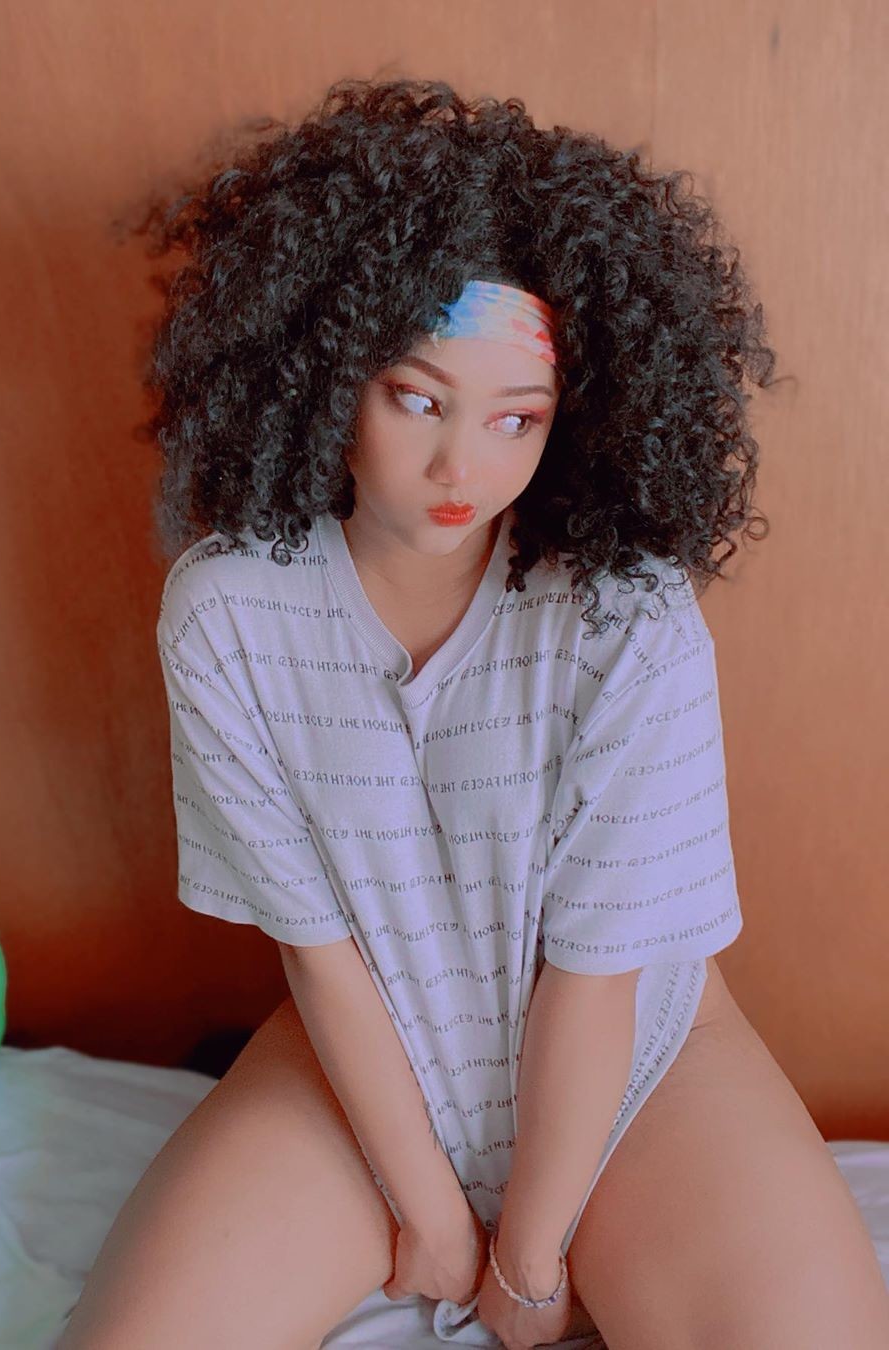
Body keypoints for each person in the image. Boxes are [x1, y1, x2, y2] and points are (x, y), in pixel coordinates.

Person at [59, 78, 889, 1350]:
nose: (462, 467)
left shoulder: (627, 619)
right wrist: (434, 1216)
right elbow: (321, 952)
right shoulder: (227, 614)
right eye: (416, 398)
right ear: (326, 370)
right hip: (363, 1063)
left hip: (640, 1064)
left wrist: (534, 1260)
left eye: (518, 419)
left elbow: (597, 977)